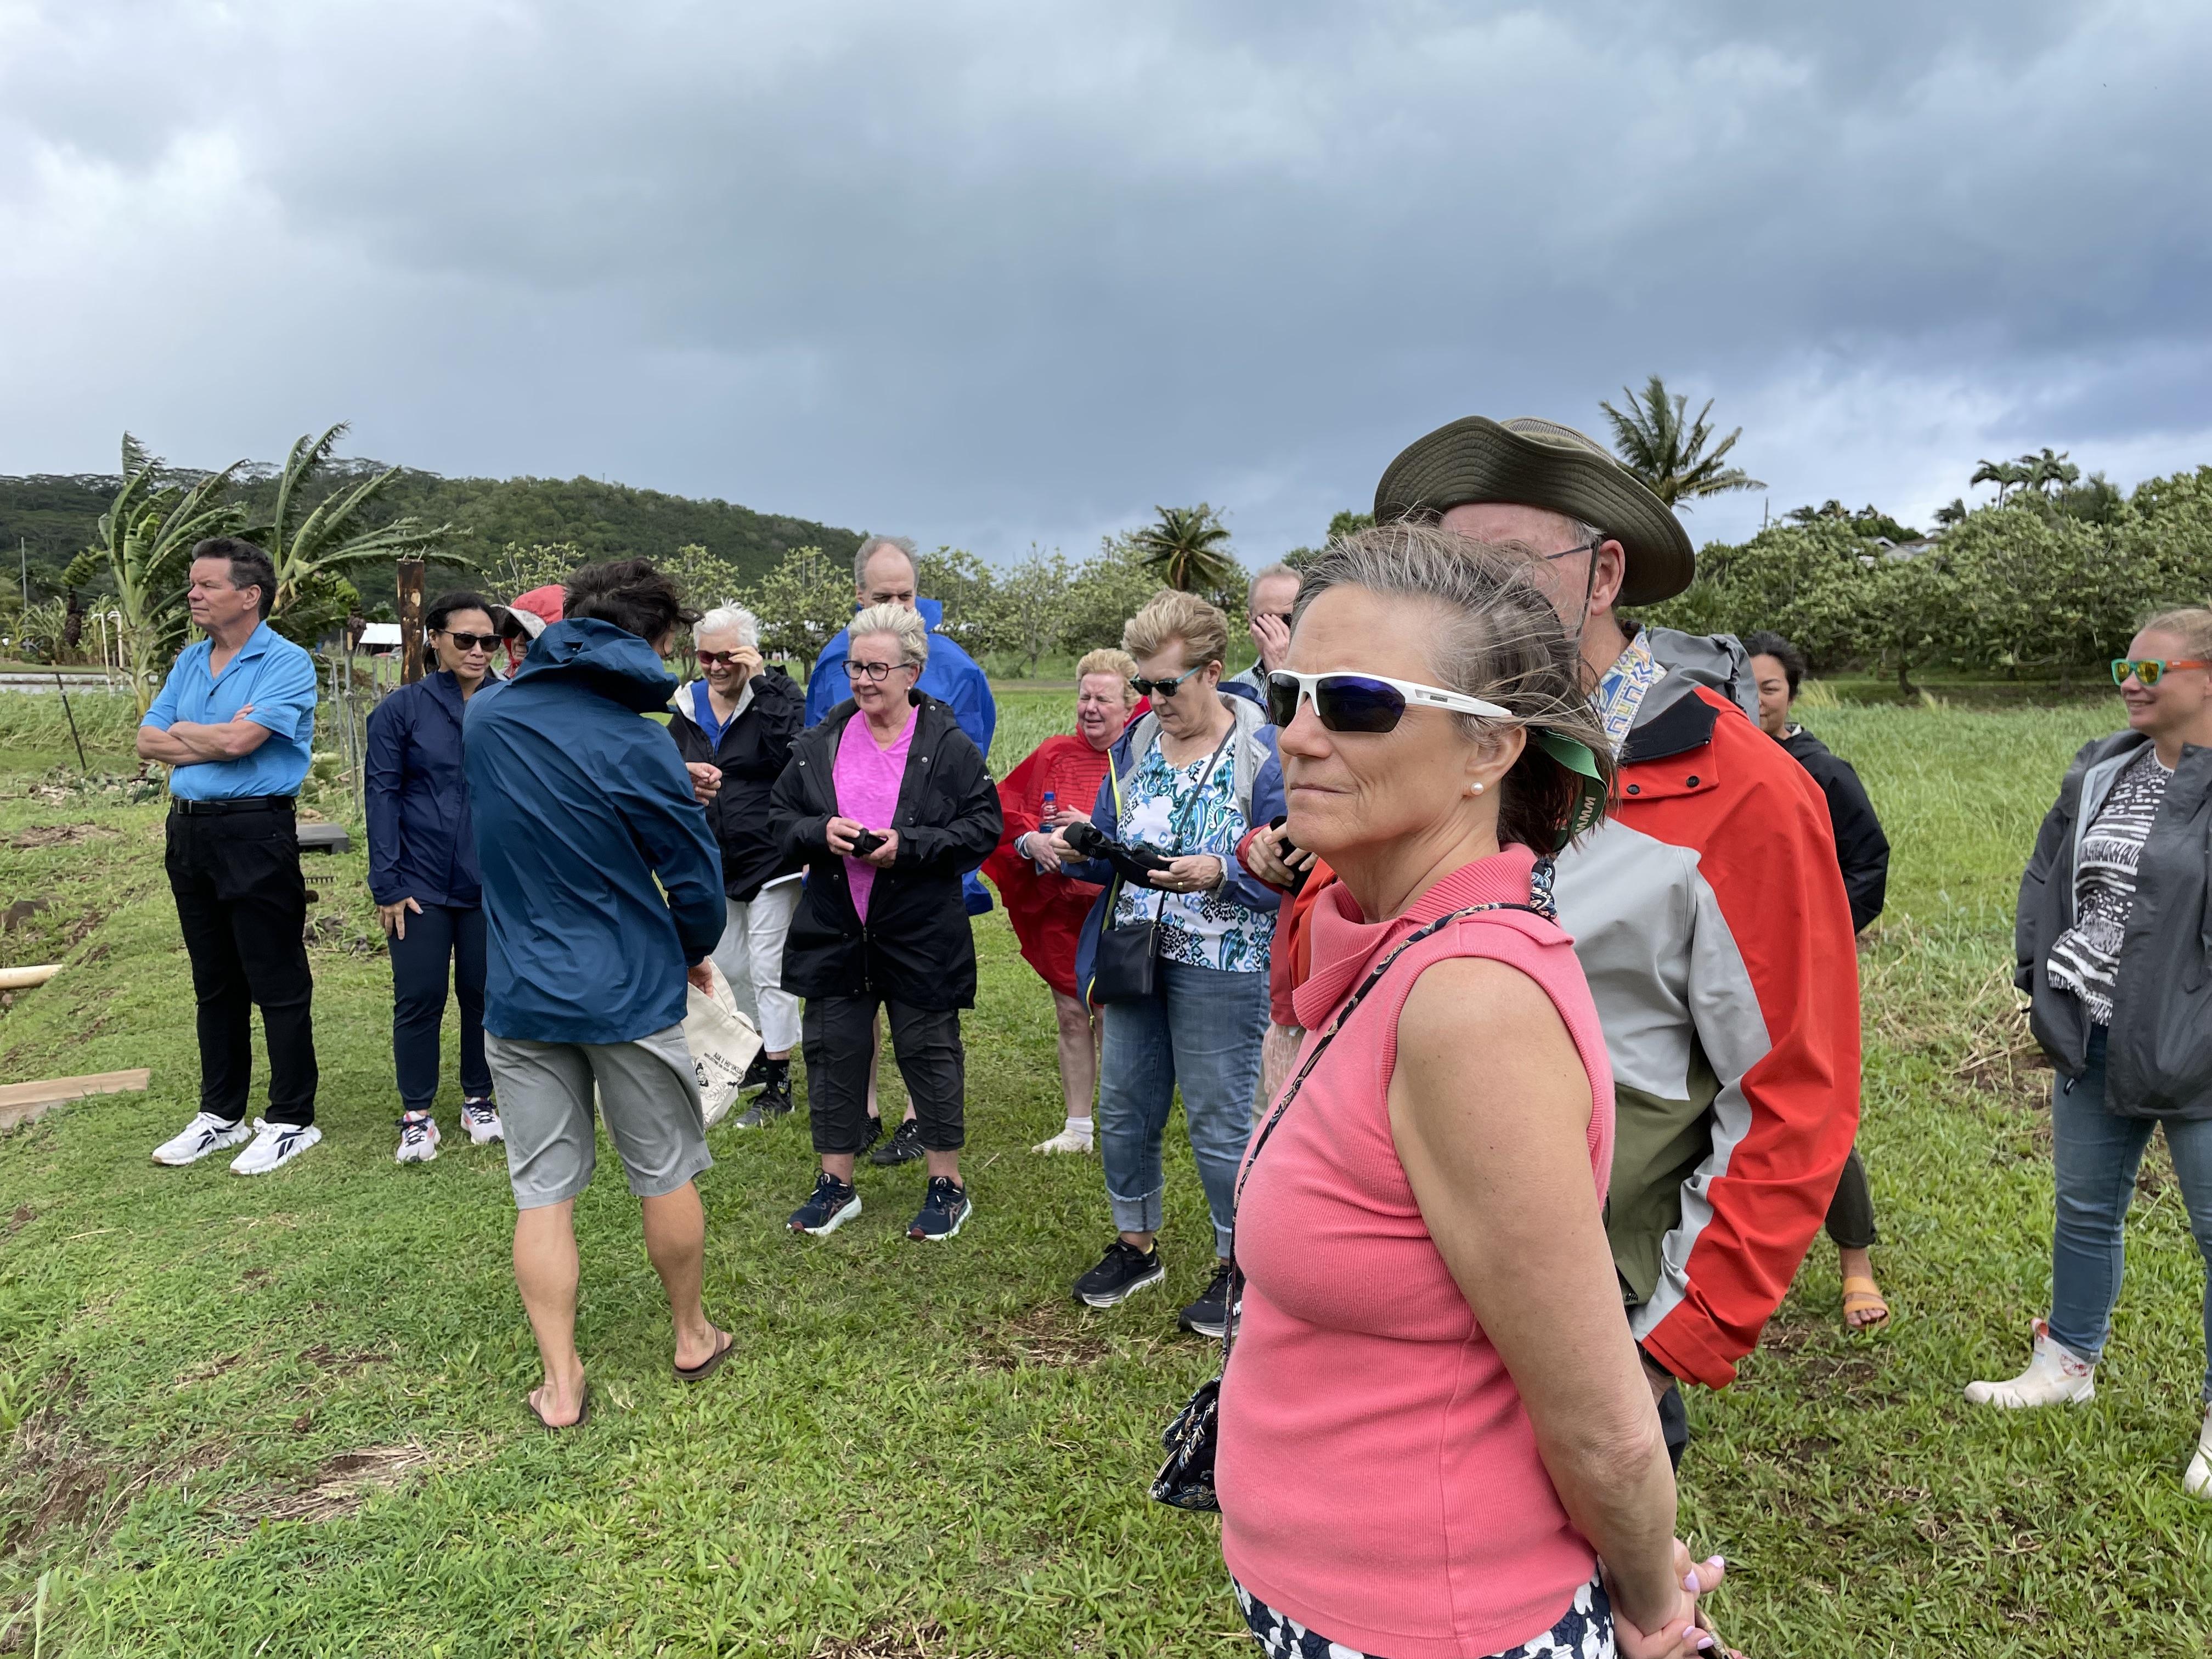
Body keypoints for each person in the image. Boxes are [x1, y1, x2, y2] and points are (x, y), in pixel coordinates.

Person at [1252, 416, 1859, 1468]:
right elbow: (1314, 965)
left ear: (1603, 573)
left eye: (1508, 564)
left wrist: (1663, 1347)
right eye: (1453, 564)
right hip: (1378, 1289)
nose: (1474, 596)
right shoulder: (1398, 749)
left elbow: (1792, 1091)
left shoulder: (1742, 792)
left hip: (1592, 1302)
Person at [1216, 524, 1726, 1659]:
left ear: (1488, 748)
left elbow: (1606, 1427)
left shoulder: (1469, 1006)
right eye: (1289, 692)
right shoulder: (1392, 943)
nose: (1296, 733)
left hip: (1433, 1623)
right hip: (1339, 1597)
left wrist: (1655, 1607)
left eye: (1357, 702)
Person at [465, 558, 732, 1430]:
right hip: (629, 989)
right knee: (665, 1170)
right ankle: (691, 1334)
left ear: (569, 621)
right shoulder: (640, 742)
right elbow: (694, 881)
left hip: (520, 990)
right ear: (660, 640)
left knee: (542, 1190)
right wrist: (690, 952)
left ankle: (561, 1382)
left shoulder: (487, 718)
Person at [1971, 609, 2212, 1503]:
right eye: (2123, 667)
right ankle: (2067, 1362)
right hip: (2094, 1031)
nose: (2130, 683)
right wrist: (2040, 975)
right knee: (2083, 1208)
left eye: (2151, 670)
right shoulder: (2104, 766)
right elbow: (2048, 872)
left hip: (2196, 1046)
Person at [1054, 591, 1282, 1338]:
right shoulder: (1137, 745)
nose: (1153, 700)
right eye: (1143, 685)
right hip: (1135, 952)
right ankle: (1135, 1244)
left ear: (1213, 672)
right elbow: (1114, 841)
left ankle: (1241, 1267)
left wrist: (1223, 872)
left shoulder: (1263, 752)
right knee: (1125, 1107)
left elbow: (1295, 865)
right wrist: (1080, 847)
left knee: (1219, 1119)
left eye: (1167, 685)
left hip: (1224, 960)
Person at [770, 603, 1002, 1243]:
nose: (863, 681)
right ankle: (835, 1184)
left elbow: (983, 827)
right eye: (856, 667)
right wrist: (820, 832)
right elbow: (780, 820)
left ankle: (947, 1184)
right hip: (836, 926)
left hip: (919, 929)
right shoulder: (821, 742)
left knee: (929, 1050)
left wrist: (911, 847)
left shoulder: (946, 745)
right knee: (833, 1049)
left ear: (912, 673)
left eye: (878, 669)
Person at [804, 533, 1000, 1161]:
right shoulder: (833, 661)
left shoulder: (957, 668)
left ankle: (920, 1117)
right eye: (884, 596)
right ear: (859, 596)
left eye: (907, 595)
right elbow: (813, 762)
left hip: (920, 868)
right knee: (851, 996)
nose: (897, 606)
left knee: (921, 1005)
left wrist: (923, 849)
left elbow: (968, 778)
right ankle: (862, 1109)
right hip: (847, 877)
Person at [141, 538, 324, 1176]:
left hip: (254, 831)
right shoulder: (191, 660)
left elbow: (244, 741)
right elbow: (147, 739)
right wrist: (210, 738)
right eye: (193, 584)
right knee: (214, 979)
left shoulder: (287, 662)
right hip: (188, 832)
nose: (193, 594)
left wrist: (193, 734)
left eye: (207, 585)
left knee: (275, 976)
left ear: (250, 596)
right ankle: (221, 1114)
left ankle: (292, 1119)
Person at [1745, 629, 1893, 1329]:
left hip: (1804, 973)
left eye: (1769, 687)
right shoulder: (1711, 765)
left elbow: (1870, 863)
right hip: (1727, 970)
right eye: (1744, 686)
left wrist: (1822, 937)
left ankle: (1855, 1263)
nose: (1756, 700)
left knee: (1818, 1110)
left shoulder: (1823, 772)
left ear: (1792, 694)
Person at [365, 590, 505, 1165]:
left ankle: (479, 1100)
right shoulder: (402, 710)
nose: (478, 650)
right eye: (465, 639)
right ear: (436, 640)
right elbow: (381, 796)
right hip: (418, 881)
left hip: (489, 881)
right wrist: (388, 882)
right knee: (420, 995)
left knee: (484, 993)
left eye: (489, 641)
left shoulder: (510, 704)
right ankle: (417, 1114)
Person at [981, 648, 1139, 1155]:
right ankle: (1078, 1127)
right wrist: (1033, 841)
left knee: (1112, 1017)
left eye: (1103, 699)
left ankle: (1121, 1126)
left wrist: (1099, 833)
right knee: (1071, 1014)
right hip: (1061, 909)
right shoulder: (1053, 754)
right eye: (1084, 697)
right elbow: (1006, 813)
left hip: (1117, 910)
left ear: (1129, 705)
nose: (1090, 708)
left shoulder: (1143, 759)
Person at [666, 603, 805, 1127]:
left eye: (729, 656)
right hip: (713, 856)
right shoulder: (686, 705)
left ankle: (780, 1083)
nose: (717, 666)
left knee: (769, 967)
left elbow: (795, 754)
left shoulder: (778, 695)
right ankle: (750, 1054)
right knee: (728, 965)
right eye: (707, 656)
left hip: (771, 855)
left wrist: (762, 684)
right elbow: (668, 767)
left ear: (750, 653)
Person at [1221, 561, 1301, 704]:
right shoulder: (1235, 694)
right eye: (1266, 621)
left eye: (1289, 619)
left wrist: (1286, 680)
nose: (1278, 633)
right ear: (1250, 624)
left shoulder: (1327, 686)